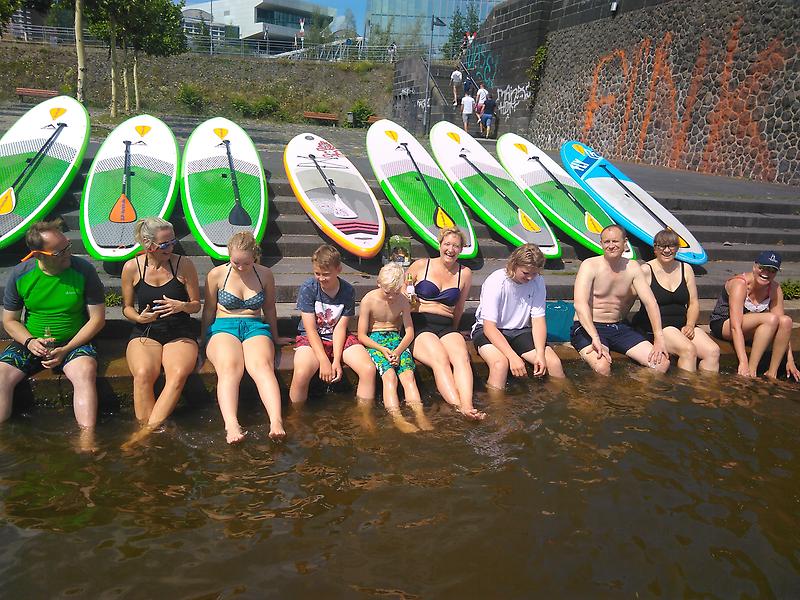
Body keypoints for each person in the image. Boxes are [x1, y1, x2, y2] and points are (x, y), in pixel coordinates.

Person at [0, 220, 105, 450]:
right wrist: (29, 341)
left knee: (85, 372)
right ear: (38, 254)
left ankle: (87, 440)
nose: (68, 254)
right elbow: (9, 320)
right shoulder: (21, 274)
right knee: (1, 375)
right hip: (31, 341)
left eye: (68, 247)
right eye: (60, 252)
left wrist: (66, 349)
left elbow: (97, 319)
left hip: (73, 342)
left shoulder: (83, 270)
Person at [201, 232, 289, 444]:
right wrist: (203, 339)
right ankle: (231, 424)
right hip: (223, 326)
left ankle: (276, 421)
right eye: (236, 262)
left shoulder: (265, 274)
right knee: (230, 367)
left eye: (247, 263)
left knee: (262, 367)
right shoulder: (216, 275)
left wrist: (275, 336)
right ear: (229, 256)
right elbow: (209, 309)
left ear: (255, 256)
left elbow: (269, 308)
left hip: (254, 326)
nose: (241, 267)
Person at [121, 218, 201, 447]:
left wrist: (182, 306)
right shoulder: (132, 267)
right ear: (148, 244)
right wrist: (138, 317)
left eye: (173, 241)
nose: (171, 247)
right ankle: (149, 434)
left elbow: (196, 305)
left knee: (177, 374)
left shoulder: (184, 264)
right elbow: (127, 307)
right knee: (143, 374)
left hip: (180, 331)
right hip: (146, 330)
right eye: (165, 244)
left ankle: (142, 436)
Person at [406, 228, 484, 419]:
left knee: (461, 357)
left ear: (461, 249)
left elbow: (459, 307)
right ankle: (460, 407)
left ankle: (468, 405)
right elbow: (402, 295)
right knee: (440, 358)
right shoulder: (420, 265)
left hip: (446, 325)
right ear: (439, 245)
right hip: (420, 322)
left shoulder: (464, 273)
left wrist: (455, 331)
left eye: (456, 246)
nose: (451, 249)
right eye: (447, 244)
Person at [571, 224, 669, 375]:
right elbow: (580, 304)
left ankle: (633, 388)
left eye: (615, 241)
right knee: (602, 367)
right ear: (601, 243)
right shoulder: (589, 265)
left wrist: (659, 337)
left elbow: (650, 302)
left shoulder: (632, 267)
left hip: (618, 327)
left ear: (625, 242)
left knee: (661, 364)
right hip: (588, 327)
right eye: (607, 242)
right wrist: (594, 337)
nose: (611, 246)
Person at [289, 245, 376, 409]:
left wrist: (336, 360)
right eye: (317, 273)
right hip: (311, 338)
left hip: (337, 336)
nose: (321, 278)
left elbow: (340, 328)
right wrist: (323, 360)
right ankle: (296, 415)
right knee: (301, 373)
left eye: (326, 274)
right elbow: (310, 329)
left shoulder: (347, 290)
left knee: (368, 369)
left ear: (338, 270)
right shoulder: (309, 288)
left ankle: (364, 415)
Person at [471, 244, 565, 390]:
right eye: (526, 273)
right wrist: (512, 357)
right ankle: (496, 403)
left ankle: (566, 397)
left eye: (534, 273)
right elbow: (489, 328)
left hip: (520, 331)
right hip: (489, 330)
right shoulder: (496, 281)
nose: (530, 278)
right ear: (514, 265)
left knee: (553, 362)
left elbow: (538, 320)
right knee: (500, 364)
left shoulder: (538, 281)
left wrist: (540, 354)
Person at [631, 229, 720, 373]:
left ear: (677, 248)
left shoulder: (686, 269)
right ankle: (685, 386)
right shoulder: (645, 270)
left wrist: (690, 324)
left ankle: (705, 387)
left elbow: (693, 303)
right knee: (688, 350)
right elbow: (628, 297)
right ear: (655, 249)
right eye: (662, 246)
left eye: (671, 246)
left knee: (713, 351)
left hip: (682, 323)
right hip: (659, 326)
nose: (667, 250)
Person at [358, 263, 431, 433]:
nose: (392, 297)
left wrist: (398, 351)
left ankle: (420, 416)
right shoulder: (368, 300)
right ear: (379, 283)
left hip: (397, 342)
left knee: (408, 376)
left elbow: (409, 332)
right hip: (375, 341)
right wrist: (382, 350)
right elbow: (362, 335)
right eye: (387, 292)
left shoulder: (403, 300)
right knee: (390, 376)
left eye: (396, 292)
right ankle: (398, 418)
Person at [708, 251, 798, 380]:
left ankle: (772, 373)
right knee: (771, 319)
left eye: (772, 270)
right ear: (754, 266)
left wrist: (790, 360)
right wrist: (743, 361)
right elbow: (735, 326)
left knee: (786, 321)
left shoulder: (774, 288)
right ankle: (751, 370)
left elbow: (783, 328)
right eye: (763, 268)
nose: (766, 273)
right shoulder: (740, 284)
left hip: (751, 327)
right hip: (725, 324)